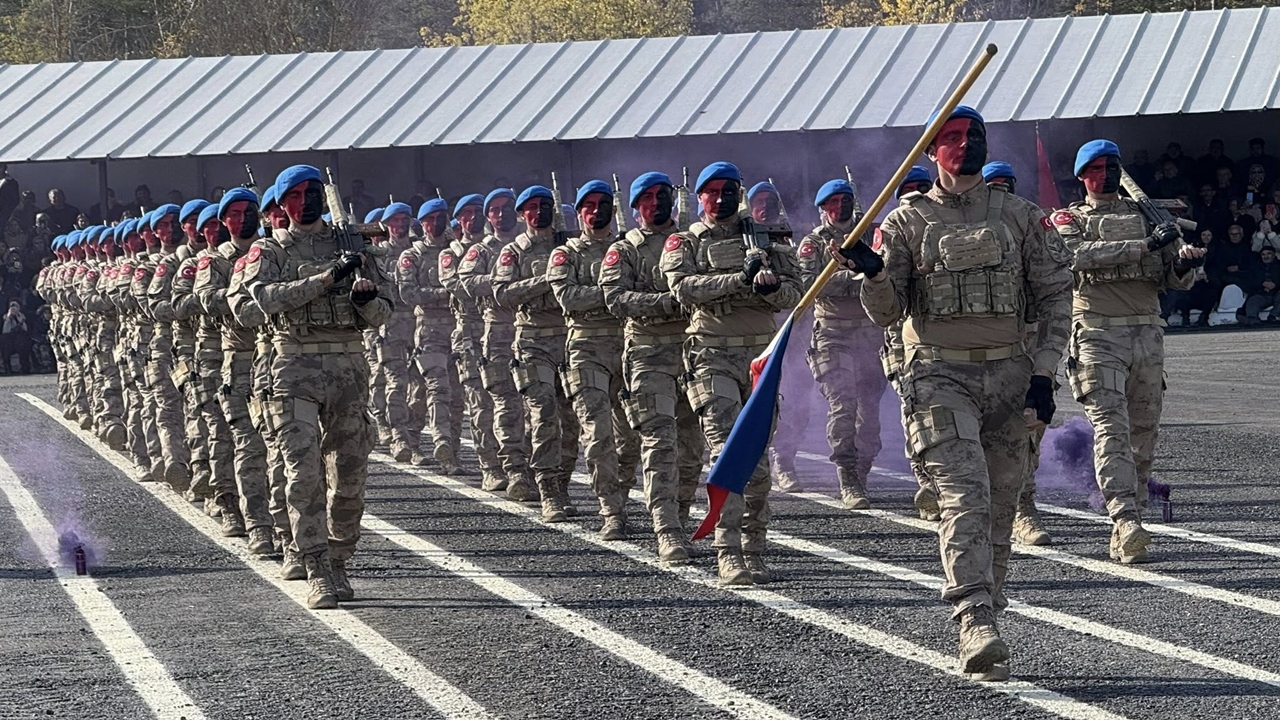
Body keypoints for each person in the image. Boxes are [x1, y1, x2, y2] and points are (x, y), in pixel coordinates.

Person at [852, 106, 1072, 680]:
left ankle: (990, 612)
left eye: (974, 135)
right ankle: (974, 620)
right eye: (951, 138)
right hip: (938, 375)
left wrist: (1045, 374)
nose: (965, 144)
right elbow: (888, 311)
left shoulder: (1022, 217)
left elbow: (1053, 298)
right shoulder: (904, 223)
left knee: (1002, 504)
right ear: (931, 151)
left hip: (1011, 375)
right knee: (965, 496)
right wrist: (873, 274)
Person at [243, 165, 393, 609]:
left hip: (348, 366)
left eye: (313, 192)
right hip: (293, 366)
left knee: (349, 473)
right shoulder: (269, 251)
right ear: (281, 204)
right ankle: (316, 566)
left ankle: (340, 556)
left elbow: (387, 311)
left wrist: (365, 301)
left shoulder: (354, 246)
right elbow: (263, 300)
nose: (306, 201)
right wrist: (327, 279)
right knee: (302, 472)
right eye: (297, 194)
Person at [1055, 139, 1205, 566]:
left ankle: (1133, 514)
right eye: (1097, 168)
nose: (1106, 175)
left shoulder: (1147, 216)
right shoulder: (1071, 219)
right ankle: (1123, 519)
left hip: (1147, 333)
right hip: (1098, 334)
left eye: (1113, 166)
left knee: (1143, 432)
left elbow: (1171, 279)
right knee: (1111, 430)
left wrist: (1183, 264)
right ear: (1083, 175)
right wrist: (1144, 245)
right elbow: (1074, 257)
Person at [662, 161, 803, 586]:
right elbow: (683, 289)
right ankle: (728, 552)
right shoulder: (683, 242)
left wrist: (771, 287)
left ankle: (754, 546)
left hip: (760, 358)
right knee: (728, 452)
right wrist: (738, 280)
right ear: (698, 197)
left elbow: (798, 292)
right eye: (711, 190)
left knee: (758, 458)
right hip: (710, 355)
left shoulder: (770, 239)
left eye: (728, 189)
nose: (720, 198)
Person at [600, 172, 704, 562]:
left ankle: (679, 514)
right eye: (648, 197)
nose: (657, 203)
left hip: (693, 350)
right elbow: (616, 298)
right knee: (659, 443)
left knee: (692, 448)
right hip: (648, 353)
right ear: (635, 206)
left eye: (663, 196)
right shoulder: (626, 249)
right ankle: (667, 529)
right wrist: (668, 302)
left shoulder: (692, 242)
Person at [548, 179, 641, 539]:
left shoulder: (629, 249)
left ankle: (622, 491)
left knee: (632, 436)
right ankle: (611, 510)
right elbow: (568, 298)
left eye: (604, 204)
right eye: (589, 205)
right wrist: (616, 293)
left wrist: (620, 297)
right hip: (586, 348)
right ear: (579, 211)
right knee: (598, 434)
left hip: (629, 347)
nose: (596, 211)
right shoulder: (566, 254)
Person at [794, 178, 887, 510]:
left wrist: (867, 271)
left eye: (845, 201)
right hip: (832, 335)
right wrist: (857, 275)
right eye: (833, 203)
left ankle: (862, 471)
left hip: (870, 334)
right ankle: (846, 475)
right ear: (822, 211)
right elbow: (810, 285)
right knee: (843, 405)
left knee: (870, 415)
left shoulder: (871, 236)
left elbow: (887, 273)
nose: (840, 208)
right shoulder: (813, 245)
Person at [493, 185, 582, 522]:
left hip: (571, 339)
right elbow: (502, 293)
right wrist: (546, 281)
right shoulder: (513, 252)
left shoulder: (570, 247)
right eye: (531, 207)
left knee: (571, 422)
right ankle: (548, 492)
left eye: (545, 205)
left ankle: (562, 483)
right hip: (533, 341)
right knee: (543, 416)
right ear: (521, 214)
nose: (539, 212)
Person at [458, 189, 535, 501]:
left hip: (534, 329)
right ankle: (509, 468)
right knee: (502, 404)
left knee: (539, 408)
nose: (500, 214)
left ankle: (536, 468)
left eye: (506, 208)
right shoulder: (482, 250)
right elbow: (466, 282)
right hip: (499, 330)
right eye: (494, 210)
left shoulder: (530, 245)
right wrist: (506, 280)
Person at [439, 194, 504, 490]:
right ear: (458, 220)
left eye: (478, 212)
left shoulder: (503, 246)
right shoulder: (451, 253)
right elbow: (457, 286)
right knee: (480, 404)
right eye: (466, 213)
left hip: (503, 329)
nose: (473, 218)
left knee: (510, 404)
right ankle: (489, 466)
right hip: (469, 333)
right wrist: (505, 281)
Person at [396, 200, 459, 471]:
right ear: (421, 224)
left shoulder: (456, 251)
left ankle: (435, 446)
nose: (436, 224)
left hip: (458, 330)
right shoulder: (412, 256)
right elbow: (409, 293)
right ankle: (440, 440)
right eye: (430, 219)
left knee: (451, 392)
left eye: (440, 217)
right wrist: (446, 294)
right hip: (429, 330)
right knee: (437, 386)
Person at [1243, 247, 1280, 324]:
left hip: (1277, 293)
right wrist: (1262, 284)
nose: (1266, 256)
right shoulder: (1255, 267)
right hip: (1262, 294)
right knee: (1253, 300)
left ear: (1274, 255)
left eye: (1269, 254)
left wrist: (1275, 285)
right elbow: (1249, 281)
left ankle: (1273, 316)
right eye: (1263, 254)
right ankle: (1253, 319)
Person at [3, 292, 32, 373]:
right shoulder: (5, 317)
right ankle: (7, 368)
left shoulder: (23, 317)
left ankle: (25, 367)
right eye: (12, 306)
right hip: (9, 342)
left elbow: (25, 330)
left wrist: (21, 321)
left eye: (16, 306)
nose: (14, 308)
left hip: (20, 342)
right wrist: (8, 319)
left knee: (23, 339)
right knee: (5, 341)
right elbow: (5, 331)